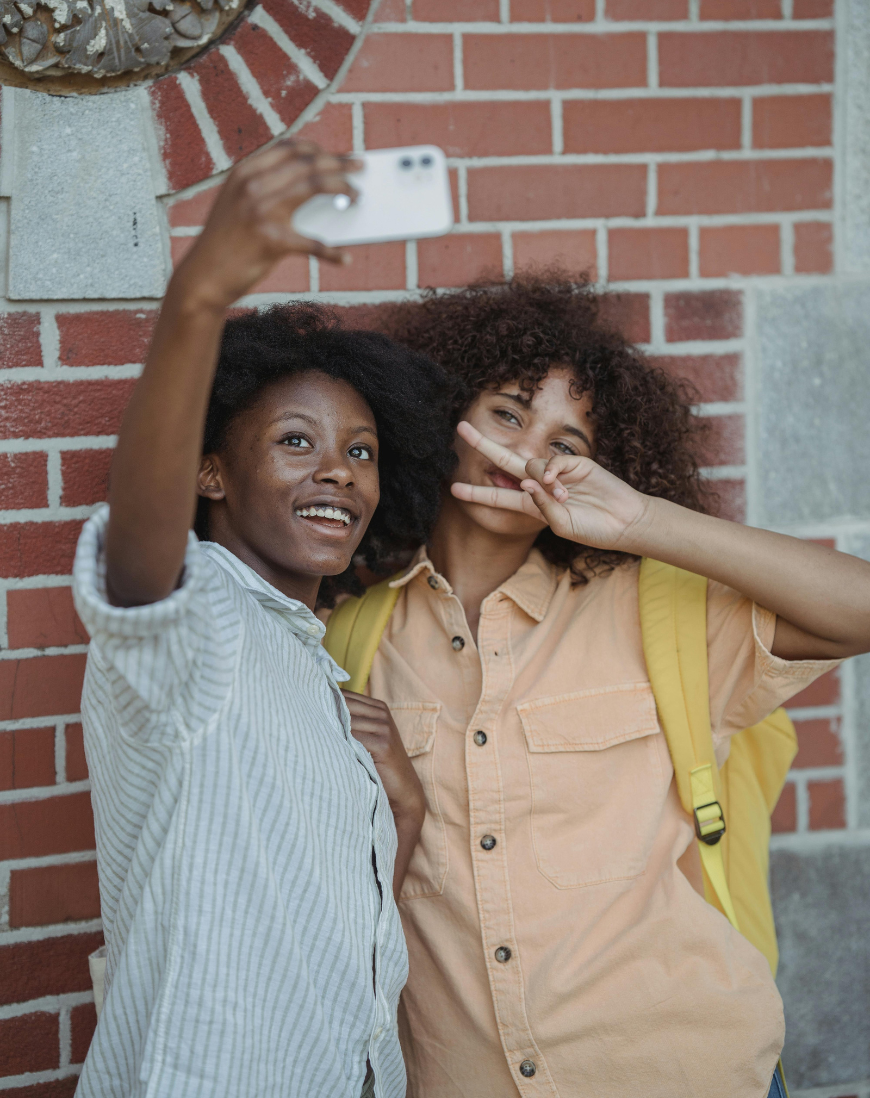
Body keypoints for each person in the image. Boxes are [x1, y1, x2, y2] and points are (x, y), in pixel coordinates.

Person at [334, 276, 870, 1098]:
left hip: (685, 1072)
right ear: (445, 414)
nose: (530, 454)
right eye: (509, 413)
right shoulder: (351, 635)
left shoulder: (655, 613)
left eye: (569, 444)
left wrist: (641, 522)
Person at [72, 141, 454, 1098]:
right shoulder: (199, 624)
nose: (340, 473)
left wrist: (401, 808)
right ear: (211, 473)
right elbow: (140, 560)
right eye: (296, 442)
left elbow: (331, 933)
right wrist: (199, 294)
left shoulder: (314, 667)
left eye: (361, 453)